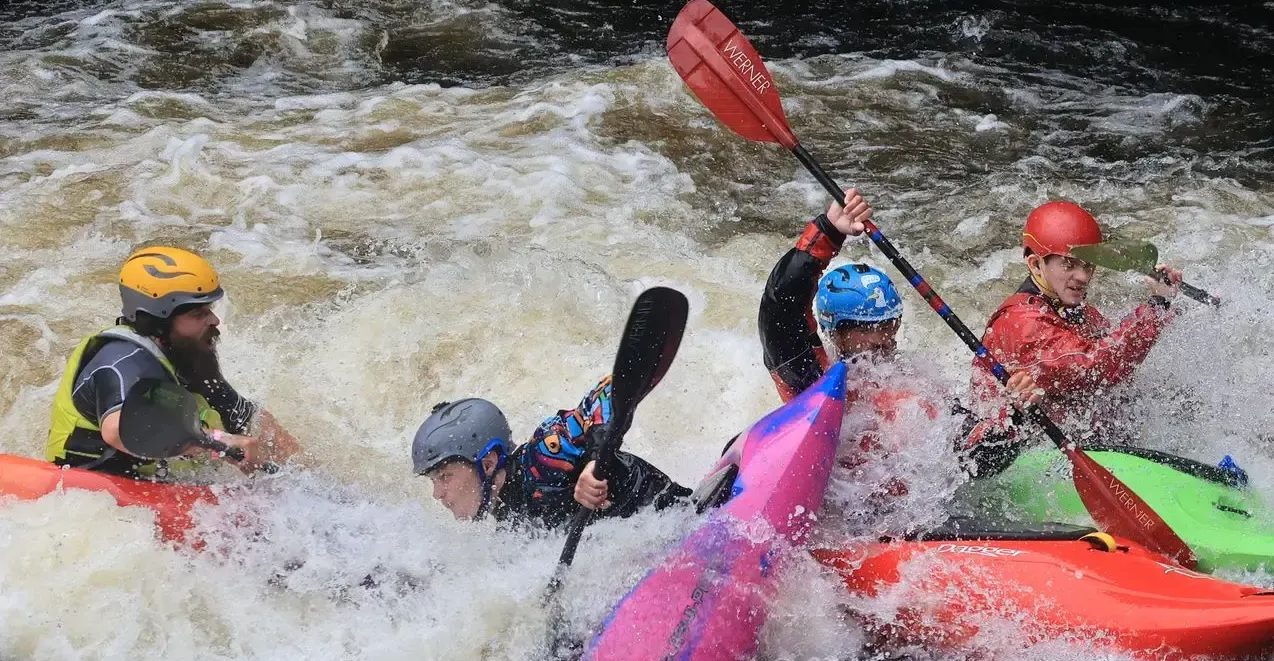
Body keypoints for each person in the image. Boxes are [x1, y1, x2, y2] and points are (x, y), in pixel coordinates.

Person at [758, 189, 1039, 484]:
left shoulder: (917, 383)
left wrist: (1015, 414)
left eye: (889, 323)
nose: (883, 338)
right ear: (836, 331)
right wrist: (827, 232)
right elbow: (780, 307)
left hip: (906, 513)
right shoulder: (811, 376)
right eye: (866, 327)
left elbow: (974, 461)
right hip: (840, 504)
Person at [46, 246, 300, 478]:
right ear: (157, 321)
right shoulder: (121, 363)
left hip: (155, 478)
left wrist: (309, 477)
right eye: (198, 313)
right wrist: (221, 443)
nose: (214, 320)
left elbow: (242, 412)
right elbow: (118, 430)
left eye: (209, 309)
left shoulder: (184, 351)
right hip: (92, 481)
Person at [979, 200, 1181, 437]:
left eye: (1088, 266)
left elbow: (1113, 342)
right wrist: (1157, 305)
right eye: (1069, 265)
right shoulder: (1023, 323)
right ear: (1035, 264)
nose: (1083, 277)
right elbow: (1098, 366)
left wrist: (1172, 306)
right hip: (1004, 445)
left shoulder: (1073, 308)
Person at [411, 383, 688, 526]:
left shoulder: (542, 457)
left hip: (674, 513)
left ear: (488, 463)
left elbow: (609, 389)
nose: (437, 493)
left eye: (445, 476)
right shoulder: (508, 522)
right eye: (434, 480)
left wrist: (593, 462)